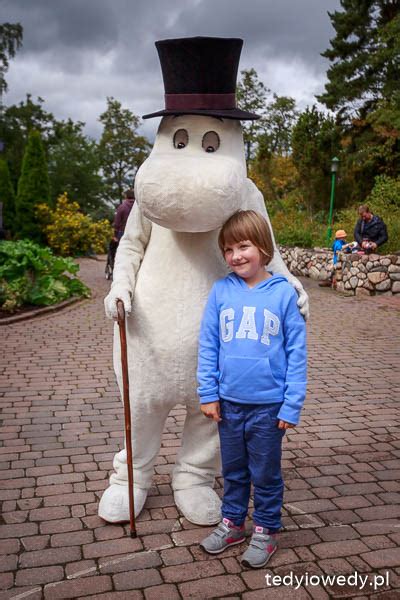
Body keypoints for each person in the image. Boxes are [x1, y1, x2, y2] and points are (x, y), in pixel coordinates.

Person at [197, 210, 307, 569]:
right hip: (228, 404)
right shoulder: (221, 291)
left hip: (268, 408)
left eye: (243, 246)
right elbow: (208, 345)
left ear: (263, 247)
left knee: (266, 473)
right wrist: (208, 393)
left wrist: (291, 405)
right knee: (233, 471)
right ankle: (233, 523)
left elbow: (296, 353)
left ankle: (266, 529)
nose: (236, 256)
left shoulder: (282, 294)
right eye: (228, 249)